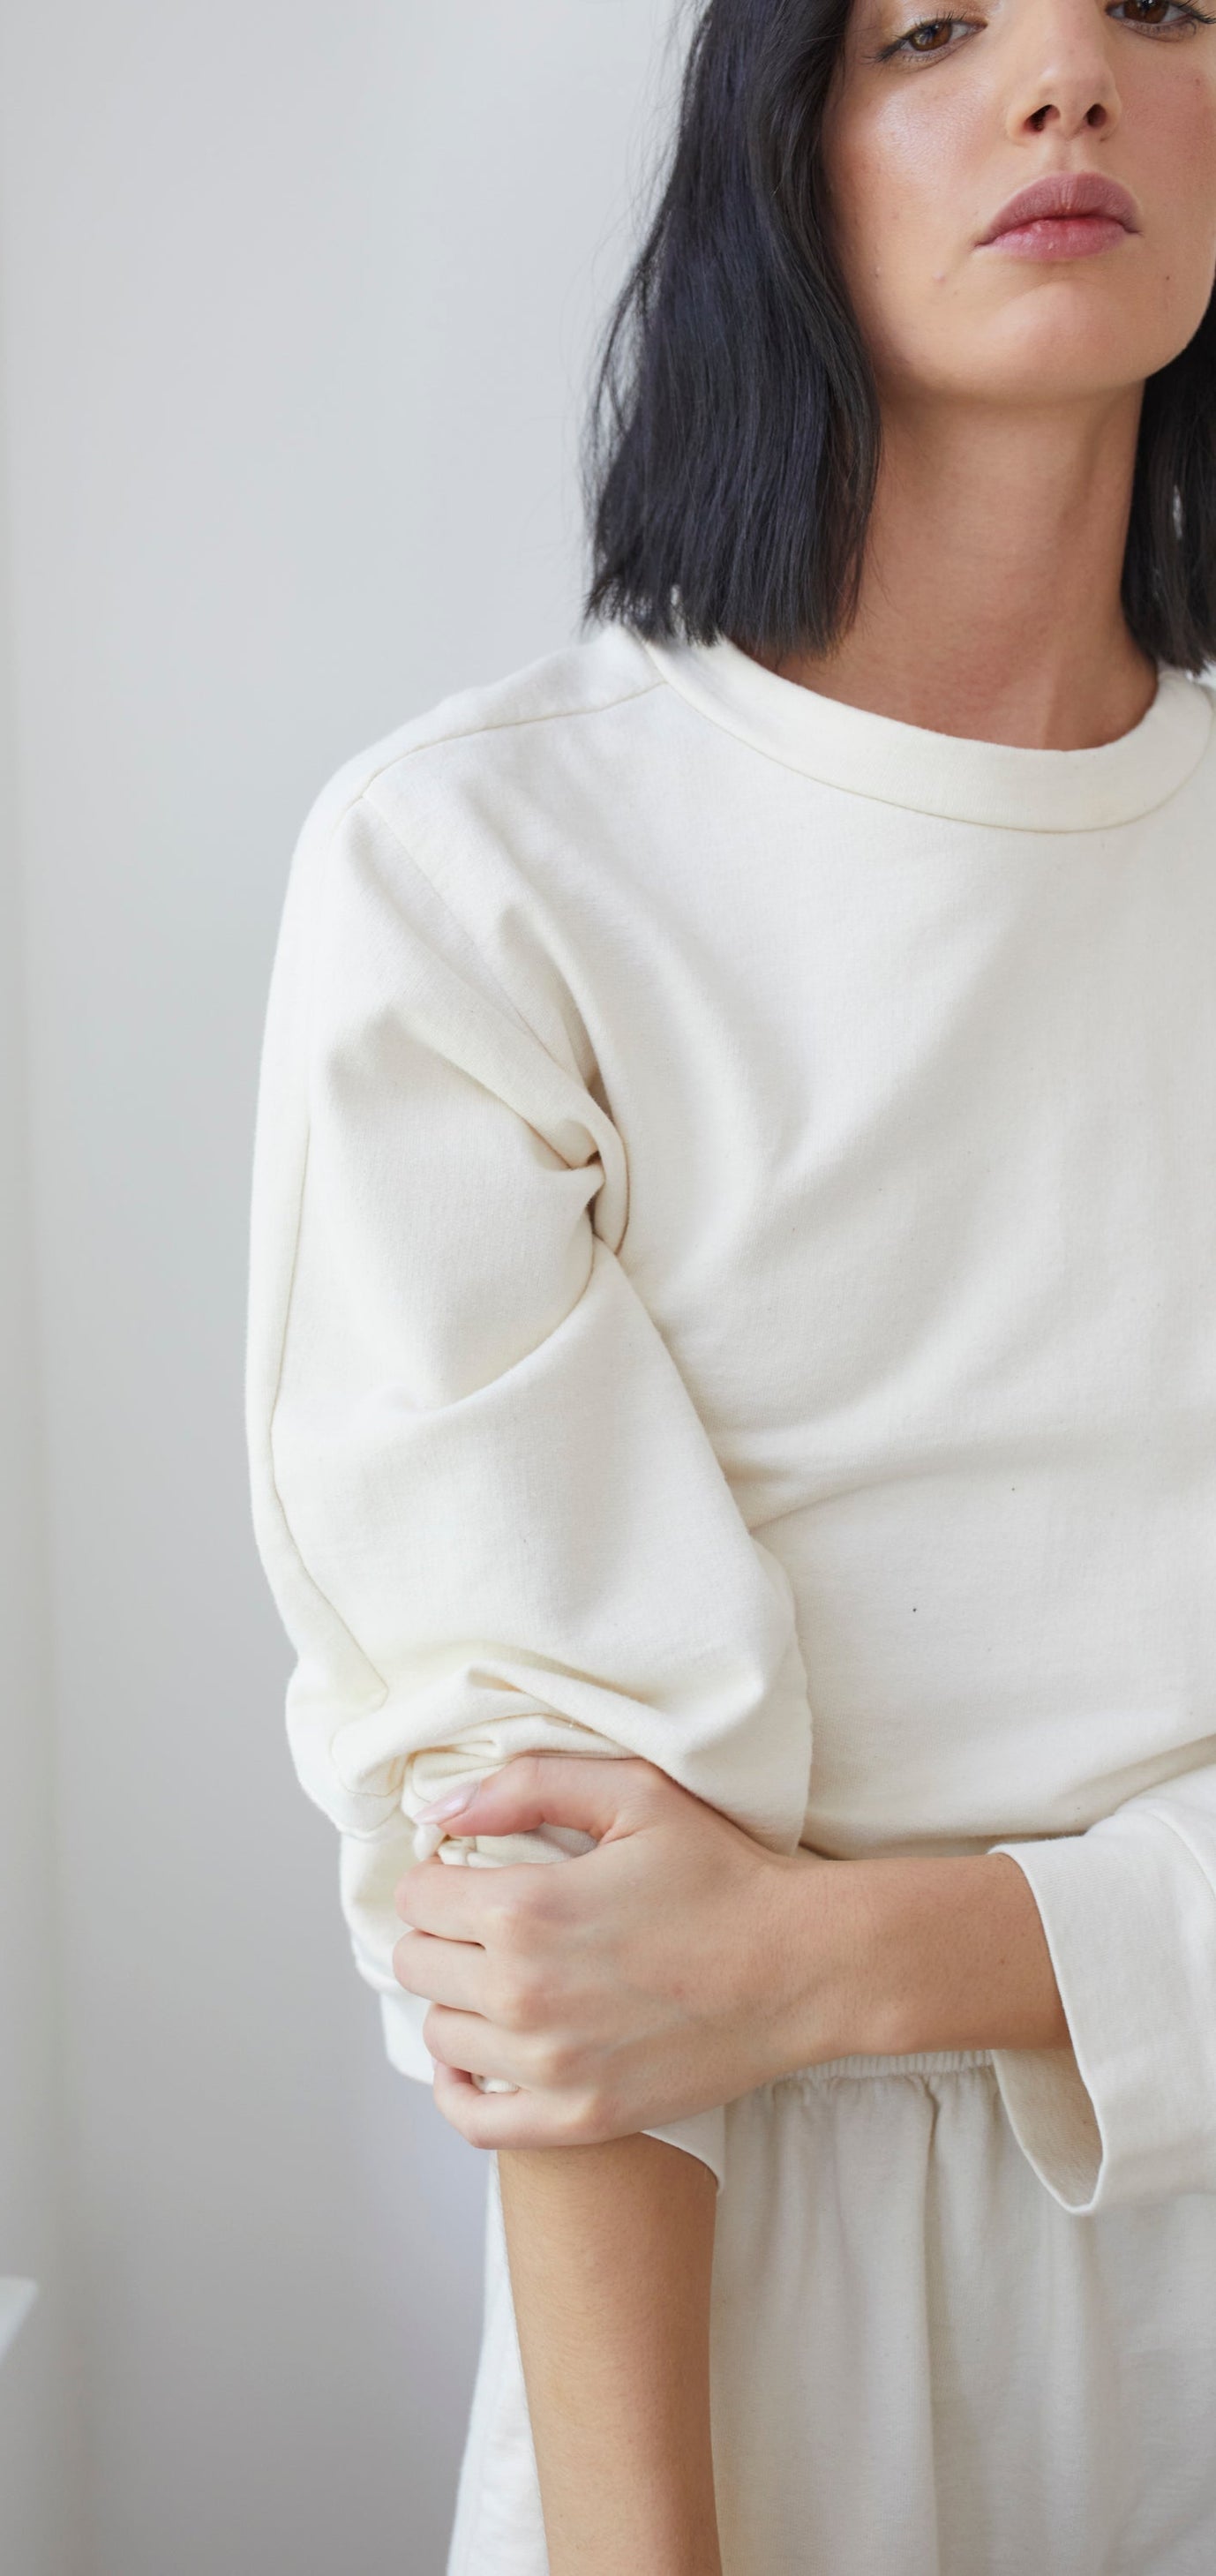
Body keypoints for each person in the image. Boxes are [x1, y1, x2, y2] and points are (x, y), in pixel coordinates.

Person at [245, 0, 1216, 2564]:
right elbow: (546, 1873)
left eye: (1166, 8)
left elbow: (686, 1958)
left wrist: (819, 1959)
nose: (1067, 81)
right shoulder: (485, 875)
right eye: (929, 27)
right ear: (774, 162)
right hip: (758, 2357)